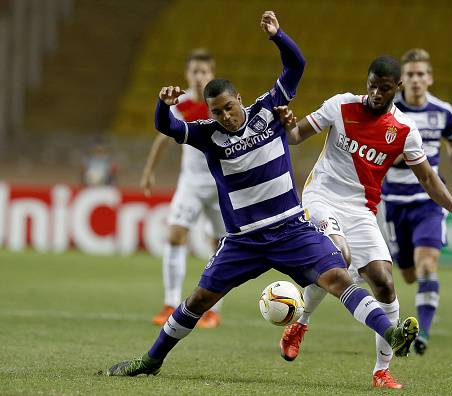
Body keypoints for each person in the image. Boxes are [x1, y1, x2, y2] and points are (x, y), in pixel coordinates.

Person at [102, 11, 416, 378]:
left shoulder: (268, 110)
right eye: (217, 112)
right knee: (199, 300)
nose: (226, 117)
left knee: (338, 279)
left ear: (240, 99)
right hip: (243, 241)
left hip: (290, 229)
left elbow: (296, 66)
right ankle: (150, 361)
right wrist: (163, 103)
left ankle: (391, 333)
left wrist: (278, 37)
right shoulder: (206, 134)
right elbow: (165, 126)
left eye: (230, 107)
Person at [275, 55, 452, 388]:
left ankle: (381, 371)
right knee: (340, 255)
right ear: (366, 82)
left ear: (397, 87)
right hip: (320, 197)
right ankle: (300, 323)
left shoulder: (404, 130)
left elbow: (427, 178)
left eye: (384, 88)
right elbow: (295, 136)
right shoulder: (341, 105)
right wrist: (287, 122)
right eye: (372, 86)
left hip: (361, 209)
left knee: (384, 281)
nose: (376, 94)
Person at [380, 48, 452, 355]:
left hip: (429, 201)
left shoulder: (443, 111)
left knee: (427, 264)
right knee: (406, 273)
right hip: (393, 203)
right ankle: (417, 300)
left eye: (421, 74)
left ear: (430, 78)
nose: (416, 80)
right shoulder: (390, 112)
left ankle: (423, 334)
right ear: (402, 80)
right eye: (410, 75)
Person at [140, 49, 226, 329]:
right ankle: (169, 303)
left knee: (222, 245)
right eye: (195, 71)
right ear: (187, 74)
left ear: (211, 74)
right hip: (190, 183)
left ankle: (212, 311)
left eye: (204, 71)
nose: (199, 76)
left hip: (221, 183)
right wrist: (149, 171)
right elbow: (163, 137)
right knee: (176, 235)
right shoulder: (181, 104)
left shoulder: (221, 103)